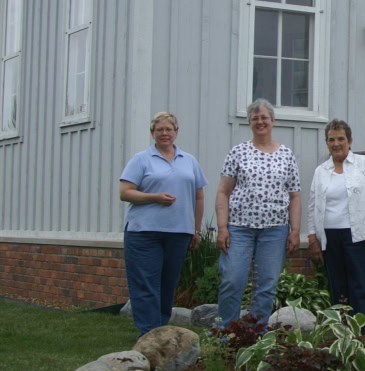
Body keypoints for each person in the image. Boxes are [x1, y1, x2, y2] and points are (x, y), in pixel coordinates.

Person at [119, 112, 208, 336]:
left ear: (176, 132)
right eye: (160, 130)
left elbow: (198, 196)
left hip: (179, 232)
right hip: (144, 232)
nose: (165, 133)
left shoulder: (189, 161)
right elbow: (125, 193)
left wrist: (196, 229)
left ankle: (159, 331)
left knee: (167, 286)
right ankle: (149, 333)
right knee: (146, 285)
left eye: (169, 129)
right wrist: (155, 198)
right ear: (153, 133)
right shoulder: (141, 159)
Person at [215, 99, 301, 324]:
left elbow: (295, 195)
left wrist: (295, 230)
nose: (260, 122)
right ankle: (225, 335)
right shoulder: (238, 152)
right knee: (232, 280)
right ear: (250, 123)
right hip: (239, 229)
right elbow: (223, 192)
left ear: (272, 121)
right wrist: (222, 228)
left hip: (275, 230)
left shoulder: (286, 154)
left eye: (264, 118)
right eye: (255, 118)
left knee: (266, 286)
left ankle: (257, 337)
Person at [307, 119, 365, 319]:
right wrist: (311, 237)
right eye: (331, 140)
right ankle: (343, 332)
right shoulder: (321, 171)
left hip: (358, 236)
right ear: (327, 143)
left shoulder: (363, 164)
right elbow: (312, 205)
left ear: (350, 141)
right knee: (338, 287)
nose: (336, 144)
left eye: (341, 139)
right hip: (329, 237)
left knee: (361, 286)